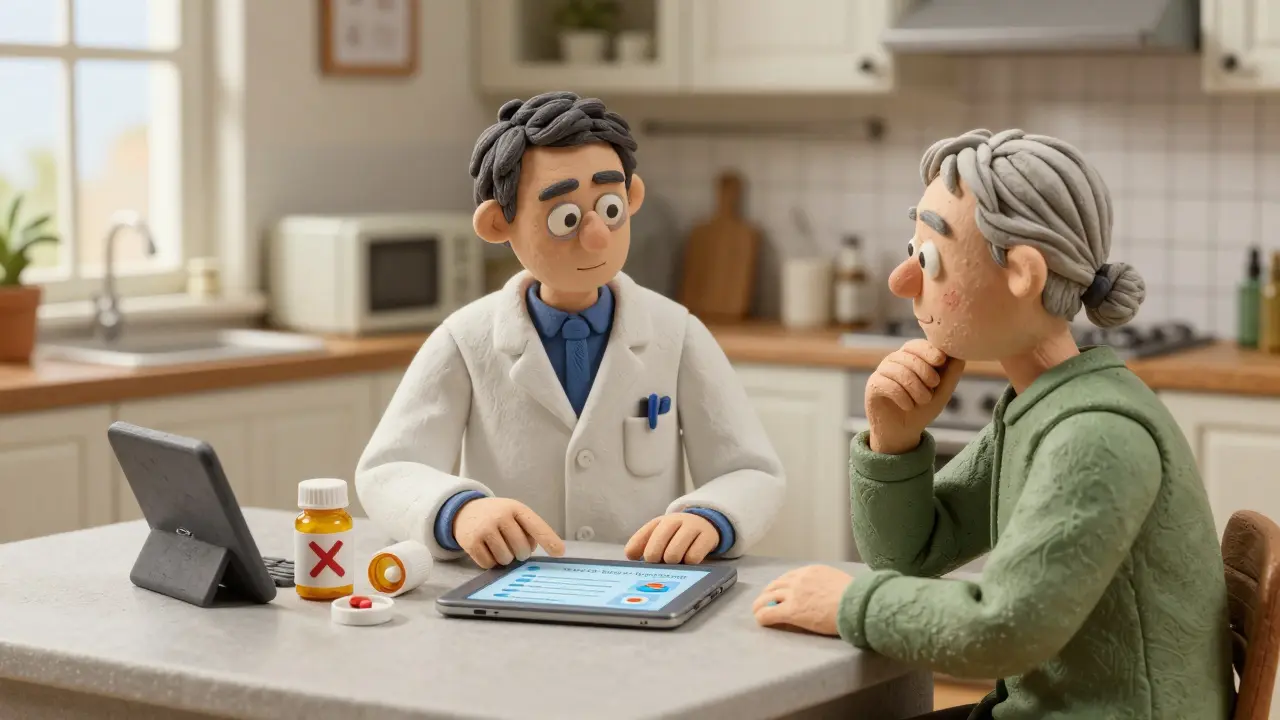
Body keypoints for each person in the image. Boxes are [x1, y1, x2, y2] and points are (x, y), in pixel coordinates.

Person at [751, 129, 1235, 719]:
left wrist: (849, 602)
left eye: (928, 259)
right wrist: (894, 440)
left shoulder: (1095, 434)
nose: (902, 282)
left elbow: (1003, 629)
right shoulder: (1042, 404)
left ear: (1023, 274)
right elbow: (911, 557)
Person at [356, 91, 785, 569]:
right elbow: (388, 468)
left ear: (631, 197)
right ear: (500, 224)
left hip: (642, 585)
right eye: (566, 218)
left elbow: (749, 468)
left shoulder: (677, 334)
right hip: (507, 587)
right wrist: (459, 511)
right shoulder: (465, 340)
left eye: (610, 208)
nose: (597, 235)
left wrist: (712, 518)